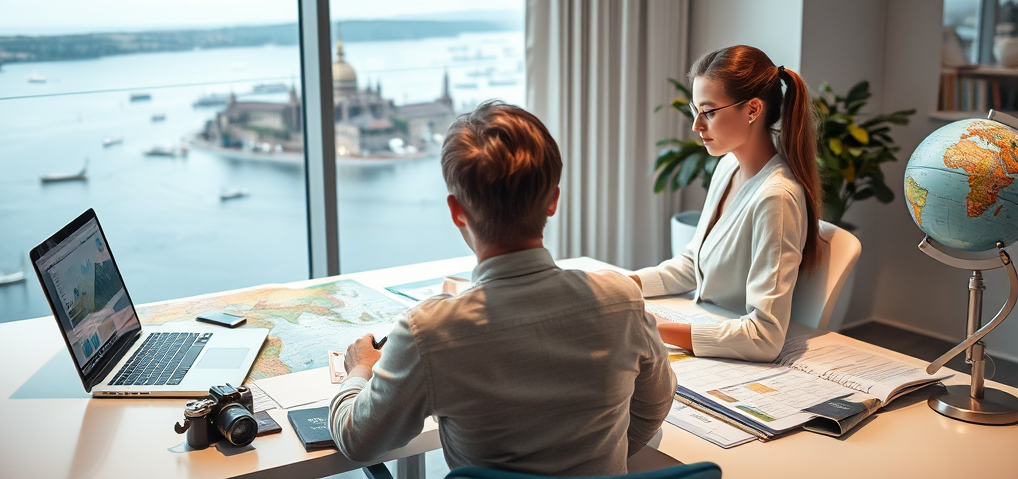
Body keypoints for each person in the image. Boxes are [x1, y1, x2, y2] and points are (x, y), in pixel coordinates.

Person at [330, 101, 675, 475]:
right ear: (553, 201)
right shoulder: (621, 300)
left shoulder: (429, 332)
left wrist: (359, 369)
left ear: (456, 210)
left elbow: (357, 441)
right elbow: (655, 405)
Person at [631, 45, 823, 362]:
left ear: (752, 110)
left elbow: (764, 337)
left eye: (708, 112)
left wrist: (652, 328)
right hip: (706, 327)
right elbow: (694, 266)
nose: (696, 125)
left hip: (733, 356)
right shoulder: (728, 166)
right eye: (695, 110)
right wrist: (622, 287)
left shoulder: (776, 197)